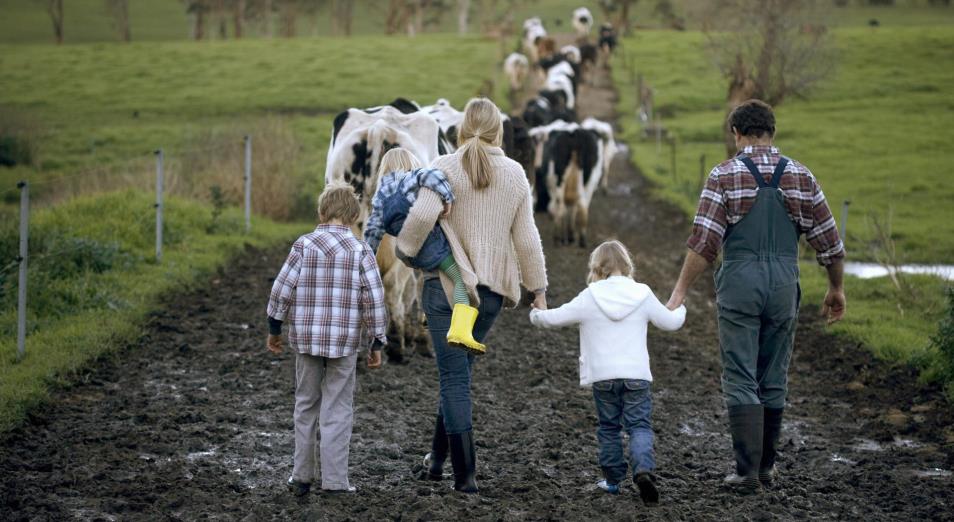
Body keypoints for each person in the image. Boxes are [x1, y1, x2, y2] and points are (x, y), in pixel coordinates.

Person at [666, 99, 846, 493]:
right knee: (773, 374)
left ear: (736, 133)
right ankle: (767, 467)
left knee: (740, 373)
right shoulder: (801, 175)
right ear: (772, 133)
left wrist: (680, 291)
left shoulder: (724, 175)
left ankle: (746, 472)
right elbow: (830, 243)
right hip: (784, 283)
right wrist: (836, 287)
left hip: (741, 282)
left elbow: (704, 243)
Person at [396, 97, 548, 493]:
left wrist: (405, 251)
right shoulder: (515, 174)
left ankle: (465, 478)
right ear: (499, 131)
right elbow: (527, 239)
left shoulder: (443, 167)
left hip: (447, 291)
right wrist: (539, 289)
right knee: (457, 375)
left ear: (461, 130)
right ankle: (436, 463)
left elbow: (420, 218)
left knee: (453, 379)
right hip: (492, 295)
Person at [529, 240, 685, 505]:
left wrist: (537, 314)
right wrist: (680, 307)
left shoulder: (590, 295)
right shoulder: (643, 293)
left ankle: (612, 482)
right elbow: (670, 323)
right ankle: (643, 471)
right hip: (636, 376)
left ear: (597, 267)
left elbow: (553, 318)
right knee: (639, 426)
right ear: (626, 265)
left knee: (609, 428)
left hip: (603, 377)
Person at [265, 182, 389, 496]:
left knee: (305, 404)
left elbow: (282, 288)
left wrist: (274, 327)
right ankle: (335, 481)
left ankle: (302, 475)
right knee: (338, 407)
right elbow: (374, 299)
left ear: (322, 212)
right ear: (353, 216)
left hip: (306, 341)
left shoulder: (303, 245)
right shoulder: (361, 250)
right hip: (345, 344)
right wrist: (377, 340)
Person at [364, 147, 485, 354]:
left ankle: (430, 316)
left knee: (430, 276)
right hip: (430, 244)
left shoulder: (380, 195)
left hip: (407, 252)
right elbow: (434, 176)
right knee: (460, 279)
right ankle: (461, 331)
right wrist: (447, 200)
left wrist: (366, 256)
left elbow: (373, 230)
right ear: (409, 163)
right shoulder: (411, 177)